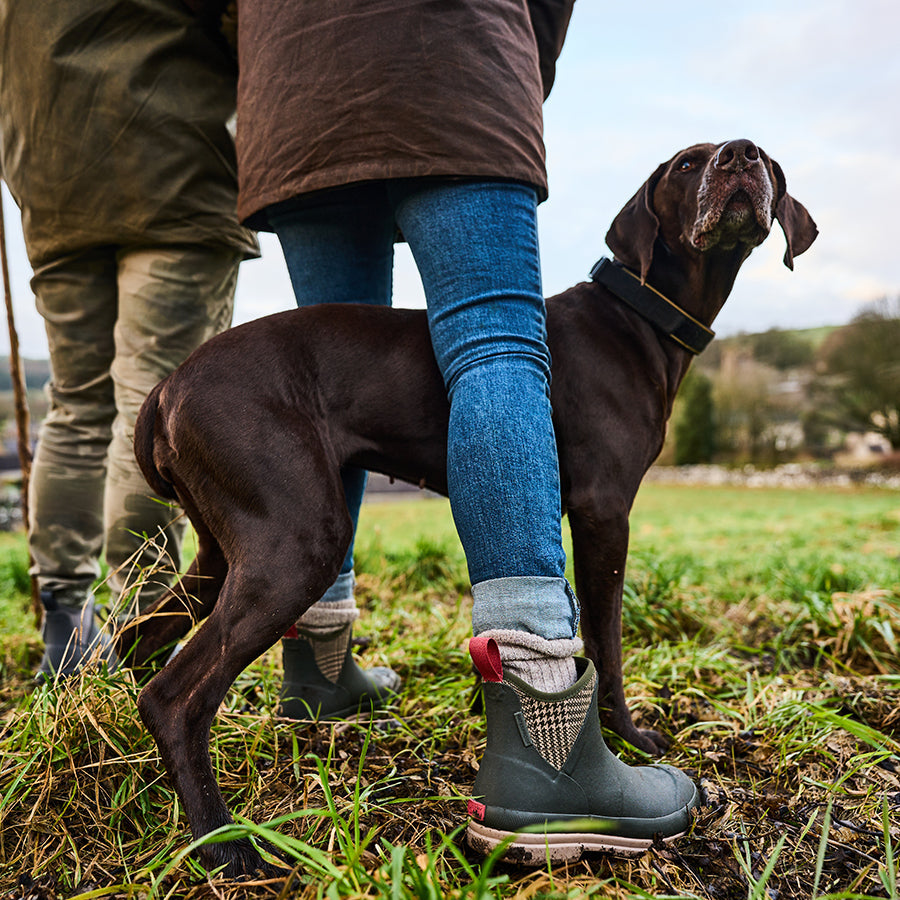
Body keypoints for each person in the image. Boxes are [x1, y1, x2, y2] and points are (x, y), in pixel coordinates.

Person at [231, 1, 699, 862]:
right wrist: (520, 60)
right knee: (494, 346)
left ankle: (321, 671)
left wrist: (269, 44)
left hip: (295, 95)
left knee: (336, 395)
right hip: (450, 67)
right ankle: (546, 745)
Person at [0, 0, 258, 680]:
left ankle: (65, 623)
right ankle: (144, 633)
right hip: (172, 167)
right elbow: (247, 29)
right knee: (152, 409)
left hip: (50, 182)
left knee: (77, 406)